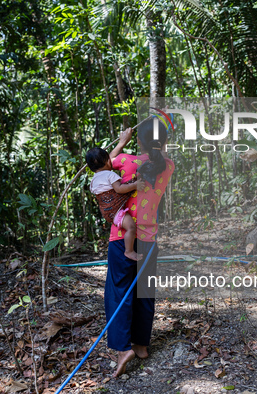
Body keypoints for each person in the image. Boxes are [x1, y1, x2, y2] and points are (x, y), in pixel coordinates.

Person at [104, 118, 174, 378]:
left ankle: (123, 349)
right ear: (163, 142)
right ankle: (141, 345)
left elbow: (102, 167)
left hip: (122, 237)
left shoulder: (126, 161)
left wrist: (122, 142)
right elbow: (159, 153)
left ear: (139, 141)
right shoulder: (167, 166)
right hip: (150, 238)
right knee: (144, 291)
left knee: (118, 291)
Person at [86, 147, 141, 261]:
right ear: (108, 161)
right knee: (131, 227)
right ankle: (129, 251)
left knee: (129, 227)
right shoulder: (110, 175)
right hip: (116, 211)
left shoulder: (93, 180)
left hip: (107, 213)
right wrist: (135, 185)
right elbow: (120, 189)